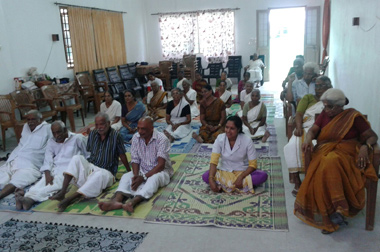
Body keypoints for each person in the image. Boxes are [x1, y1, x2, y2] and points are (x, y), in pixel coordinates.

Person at [294, 88, 378, 234]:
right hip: (324, 151)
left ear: (340, 106)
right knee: (327, 163)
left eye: (330, 107)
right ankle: (337, 210)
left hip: (348, 155)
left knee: (329, 162)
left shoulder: (353, 117)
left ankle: (337, 209)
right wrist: (307, 139)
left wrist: (365, 146)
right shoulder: (324, 116)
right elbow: (313, 131)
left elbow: (372, 136)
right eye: (325, 106)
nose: (326, 110)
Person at [49, 112, 130, 212]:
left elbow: (122, 155)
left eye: (102, 124)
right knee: (76, 158)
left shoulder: (116, 136)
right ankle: (63, 192)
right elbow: (89, 153)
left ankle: (69, 199)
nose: (99, 127)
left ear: (108, 123)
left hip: (106, 172)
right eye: (97, 125)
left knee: (99, 175)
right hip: (92, 167)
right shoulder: (93, 134)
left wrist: (129, 171)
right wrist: (86, 167)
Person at [98, 117, 173, 213]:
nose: (140, 131)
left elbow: (161, 165)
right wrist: (136, 175)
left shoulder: (162, 139)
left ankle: (133, 202)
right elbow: (135, 160)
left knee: (154, 179)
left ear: (152, 128)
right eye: (138, 128)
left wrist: (144, 177)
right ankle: (116, 200)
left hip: (161, 171)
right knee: (126, 176)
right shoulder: (136, 137)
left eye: (143, 129)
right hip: (143, 169)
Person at [15, 121, 88, 210]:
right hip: (54, 169)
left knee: (54, 186)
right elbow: (47, 159)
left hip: (68, 172)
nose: (56, 135)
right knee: (42, 182)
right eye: (54, 133)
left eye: (59, 132)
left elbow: (88, 155)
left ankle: (30, 199)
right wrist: (47, 174)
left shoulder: (78, 138)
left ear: (65, 130)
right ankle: (26, 197)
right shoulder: (51, 141)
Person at [284, 76, 332, 197]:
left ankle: (316, 180)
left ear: (329, 87)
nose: (318, 88)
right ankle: (297, 181)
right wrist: (299, 127)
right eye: (317, 86)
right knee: (291, 146)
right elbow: (299, 114)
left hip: (324, 130)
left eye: (322, 86)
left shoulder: (332, 100)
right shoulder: (308, 97)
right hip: (306, 127)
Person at [202, 116, 268, 193]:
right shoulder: (220, 139)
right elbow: (213, 161)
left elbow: (253, 165)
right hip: (224, 170)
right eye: (226, 127)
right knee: (206, 176)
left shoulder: (247, 140)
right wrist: (211, 179)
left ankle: (226, 185)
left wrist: (241, 177)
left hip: (242, 171)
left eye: (232, 128)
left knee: (262, 176)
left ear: (238, 129)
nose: (228, 131)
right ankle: (242, 185)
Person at [0, 110, 52, 200]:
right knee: (2, 176)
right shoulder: (25, 127)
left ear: (41, 119)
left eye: (33, 119)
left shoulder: (48, 128)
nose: (30, 122)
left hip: (30, 165)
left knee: (17, 181)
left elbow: (57, 144)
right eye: (28, 119)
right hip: (14, 159)